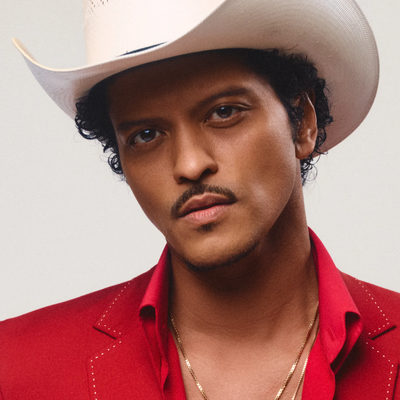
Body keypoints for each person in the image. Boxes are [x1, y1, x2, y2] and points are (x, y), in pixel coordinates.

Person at [1, 0, 399, 399]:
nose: (190, 165)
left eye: (224, 112)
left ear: (303, 122)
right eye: (145, 135)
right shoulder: (16, 369)